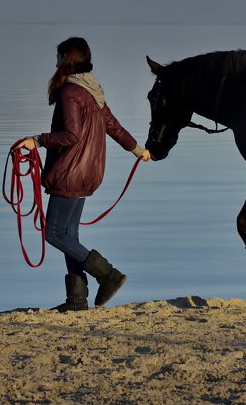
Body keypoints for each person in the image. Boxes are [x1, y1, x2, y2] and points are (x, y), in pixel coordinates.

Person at [21, 37, 151, 311]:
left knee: (54, 234)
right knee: (69, 236)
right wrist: (138, 150)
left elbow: (71, 135)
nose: (55, 63)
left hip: (70, 172)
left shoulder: (70, 92)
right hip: (88, 172)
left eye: (58, 57)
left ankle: (108, 275)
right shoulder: (93, 90)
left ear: (66, 59)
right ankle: (76, 301)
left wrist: (37, 140)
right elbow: (113, 126)